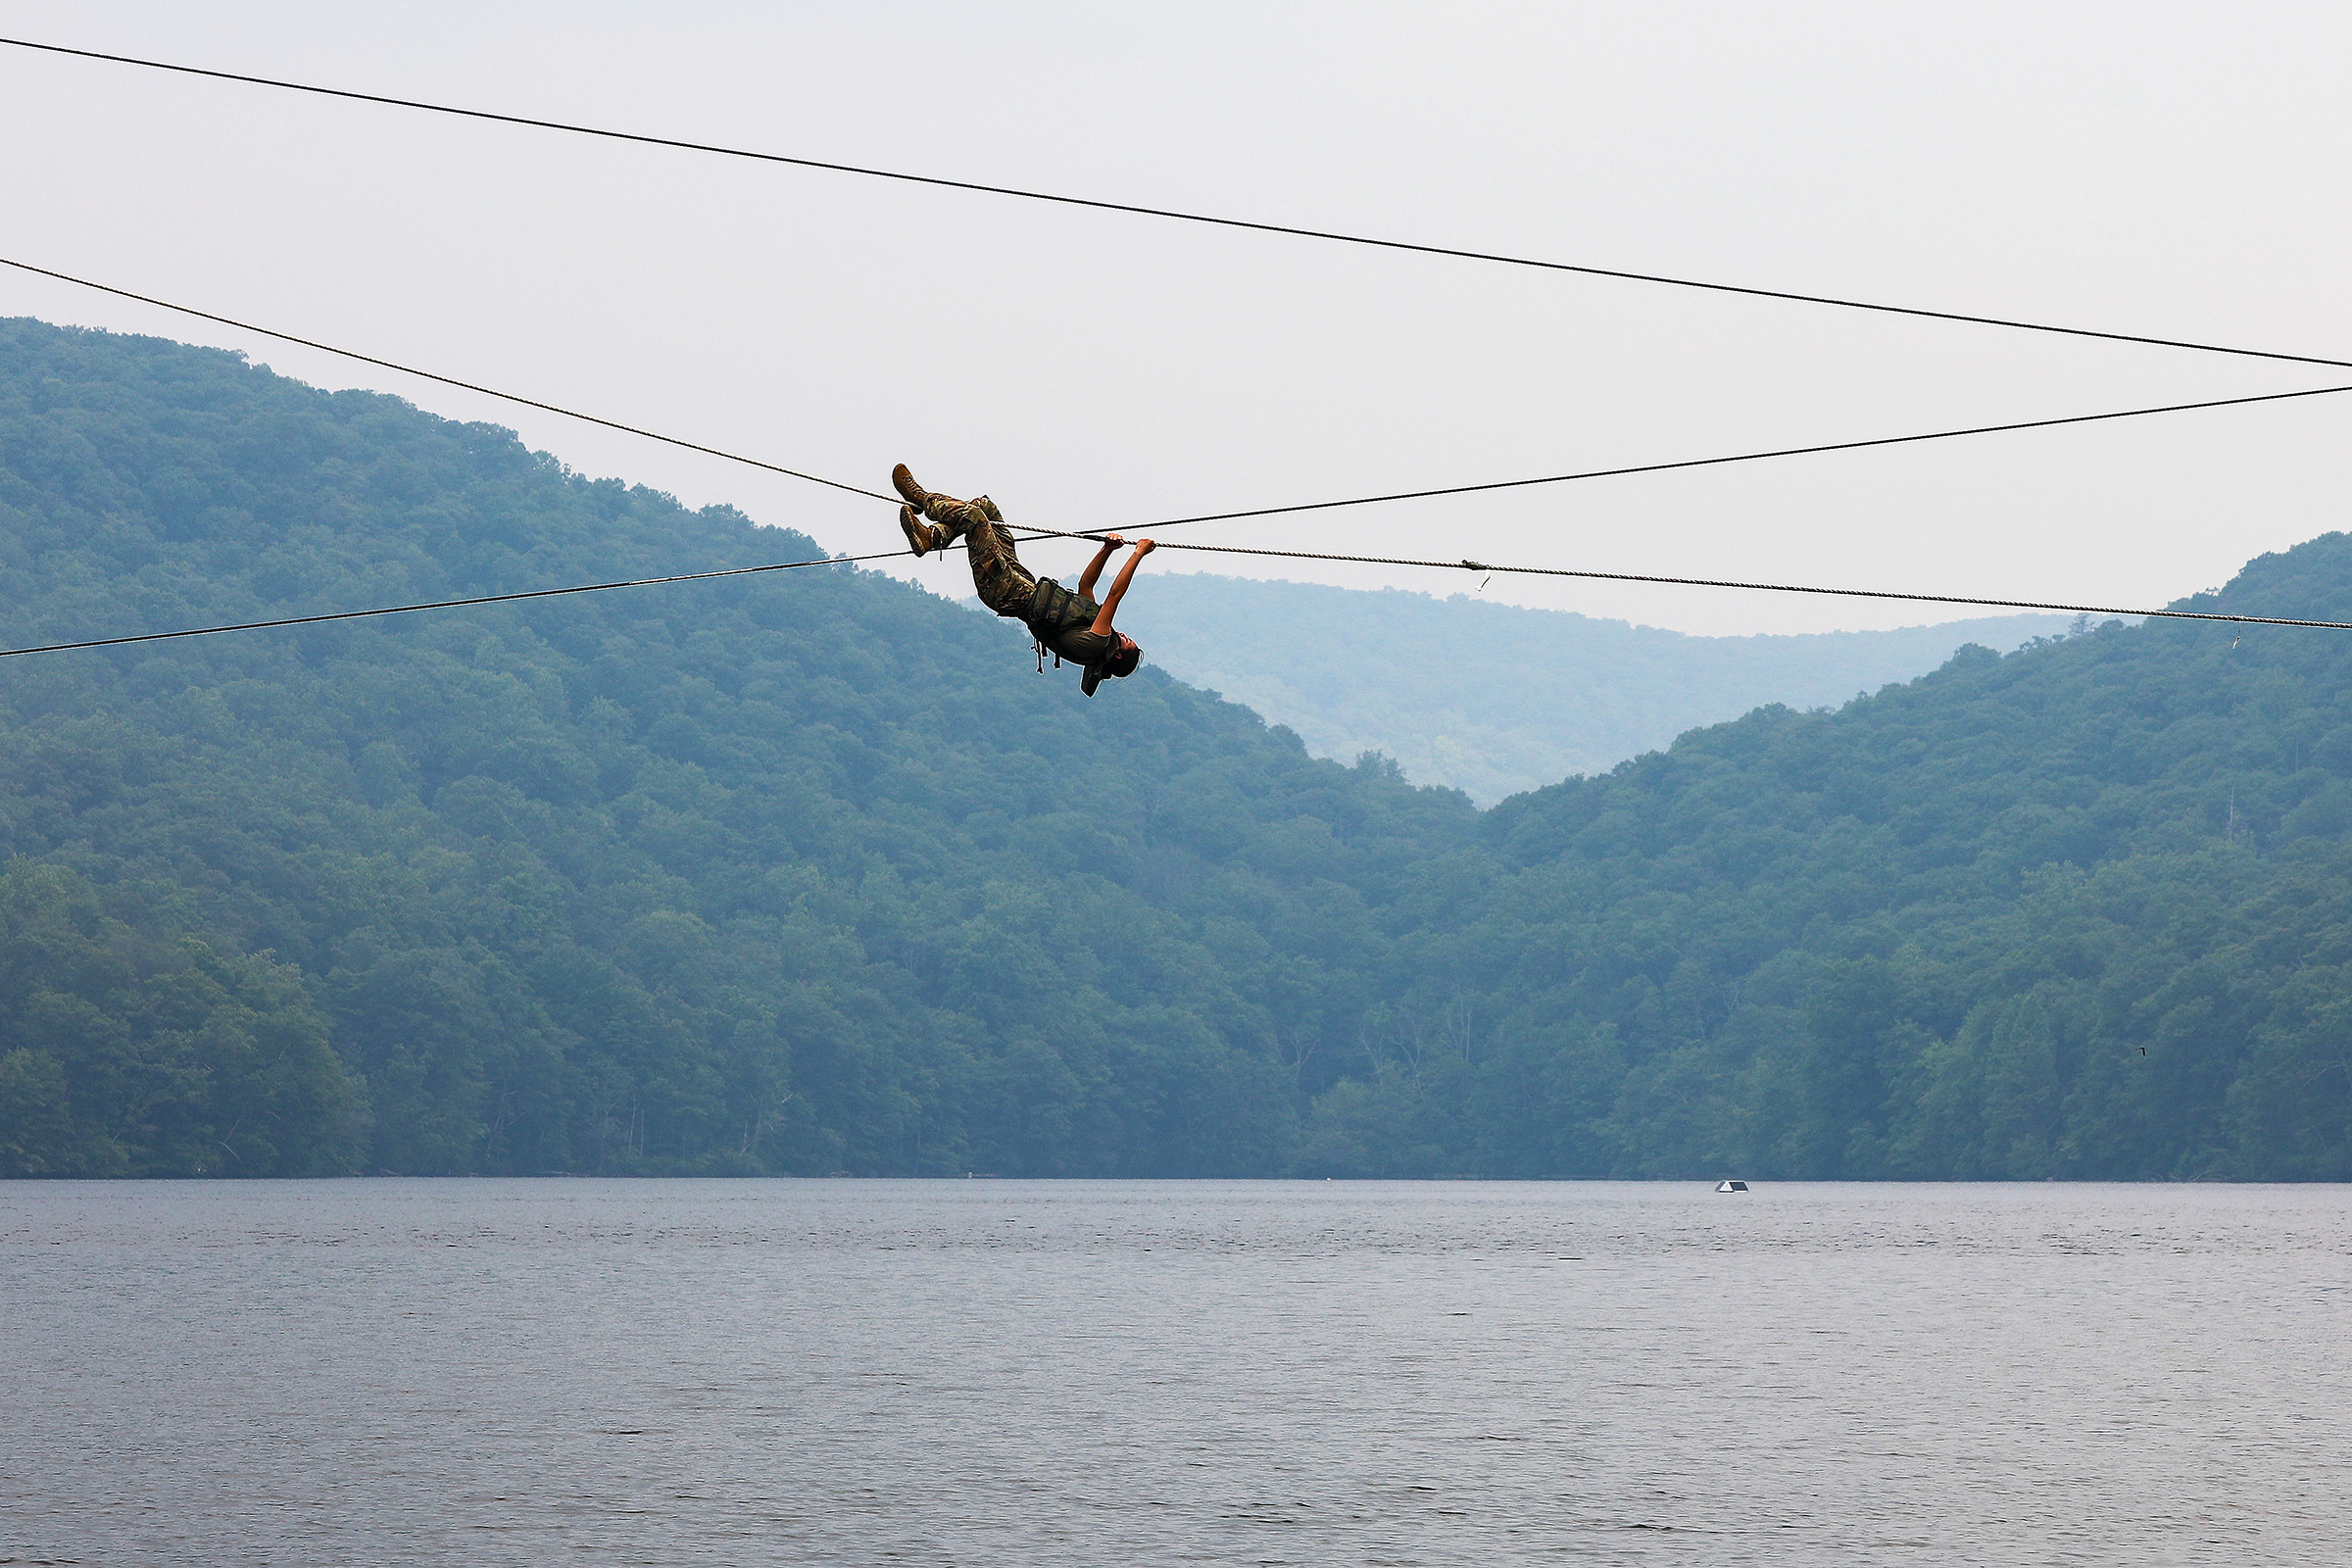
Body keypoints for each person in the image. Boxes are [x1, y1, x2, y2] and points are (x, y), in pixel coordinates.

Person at [892, 464, 1152, 697]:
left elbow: (1114, 595)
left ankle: (919, 497)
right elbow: (1087, 585)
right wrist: (1107, 550)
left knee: (974, 518)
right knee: (985, 508)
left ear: (1117, 654)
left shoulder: (1097, 643)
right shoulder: (1094, 631)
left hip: (1005, 591)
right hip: (1019, 581)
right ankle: (932, 538)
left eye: (1128, 641)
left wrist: (1137, 553)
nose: (1125, 634)